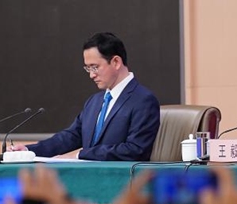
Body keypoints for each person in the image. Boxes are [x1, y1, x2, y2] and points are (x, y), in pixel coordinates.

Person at [13, 32, 160, 161]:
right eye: (88, 68)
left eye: (95, 67)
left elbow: (135, 150)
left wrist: (80, 154)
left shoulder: (143, 100)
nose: (91, 75)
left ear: (116, 62)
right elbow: (71, 137)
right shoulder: (94, 102)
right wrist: (29, 151)